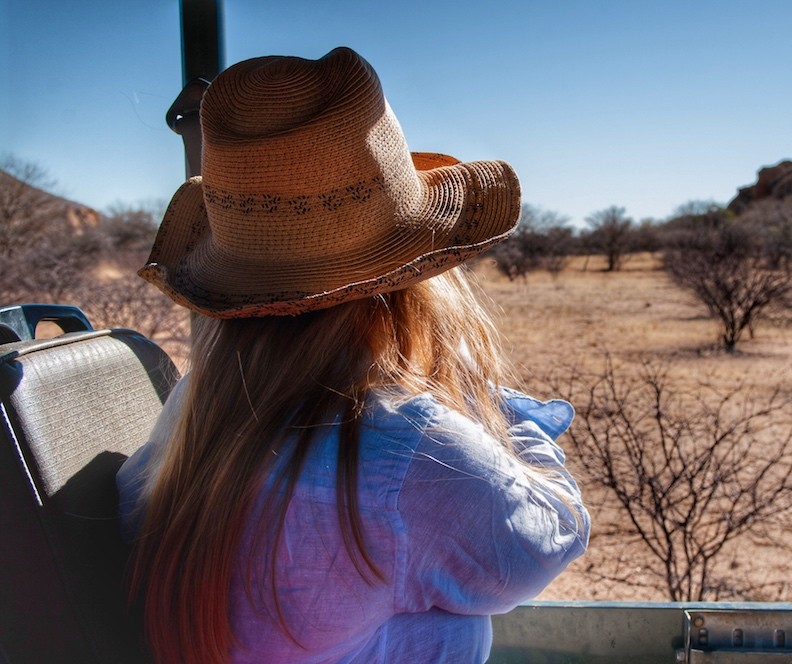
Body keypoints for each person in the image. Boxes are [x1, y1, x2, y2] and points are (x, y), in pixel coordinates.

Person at [116, 46, 589, 664]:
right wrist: (496, 413)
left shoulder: (198, 408)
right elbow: (548, 540)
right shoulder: (413, 449)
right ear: (416, 281)